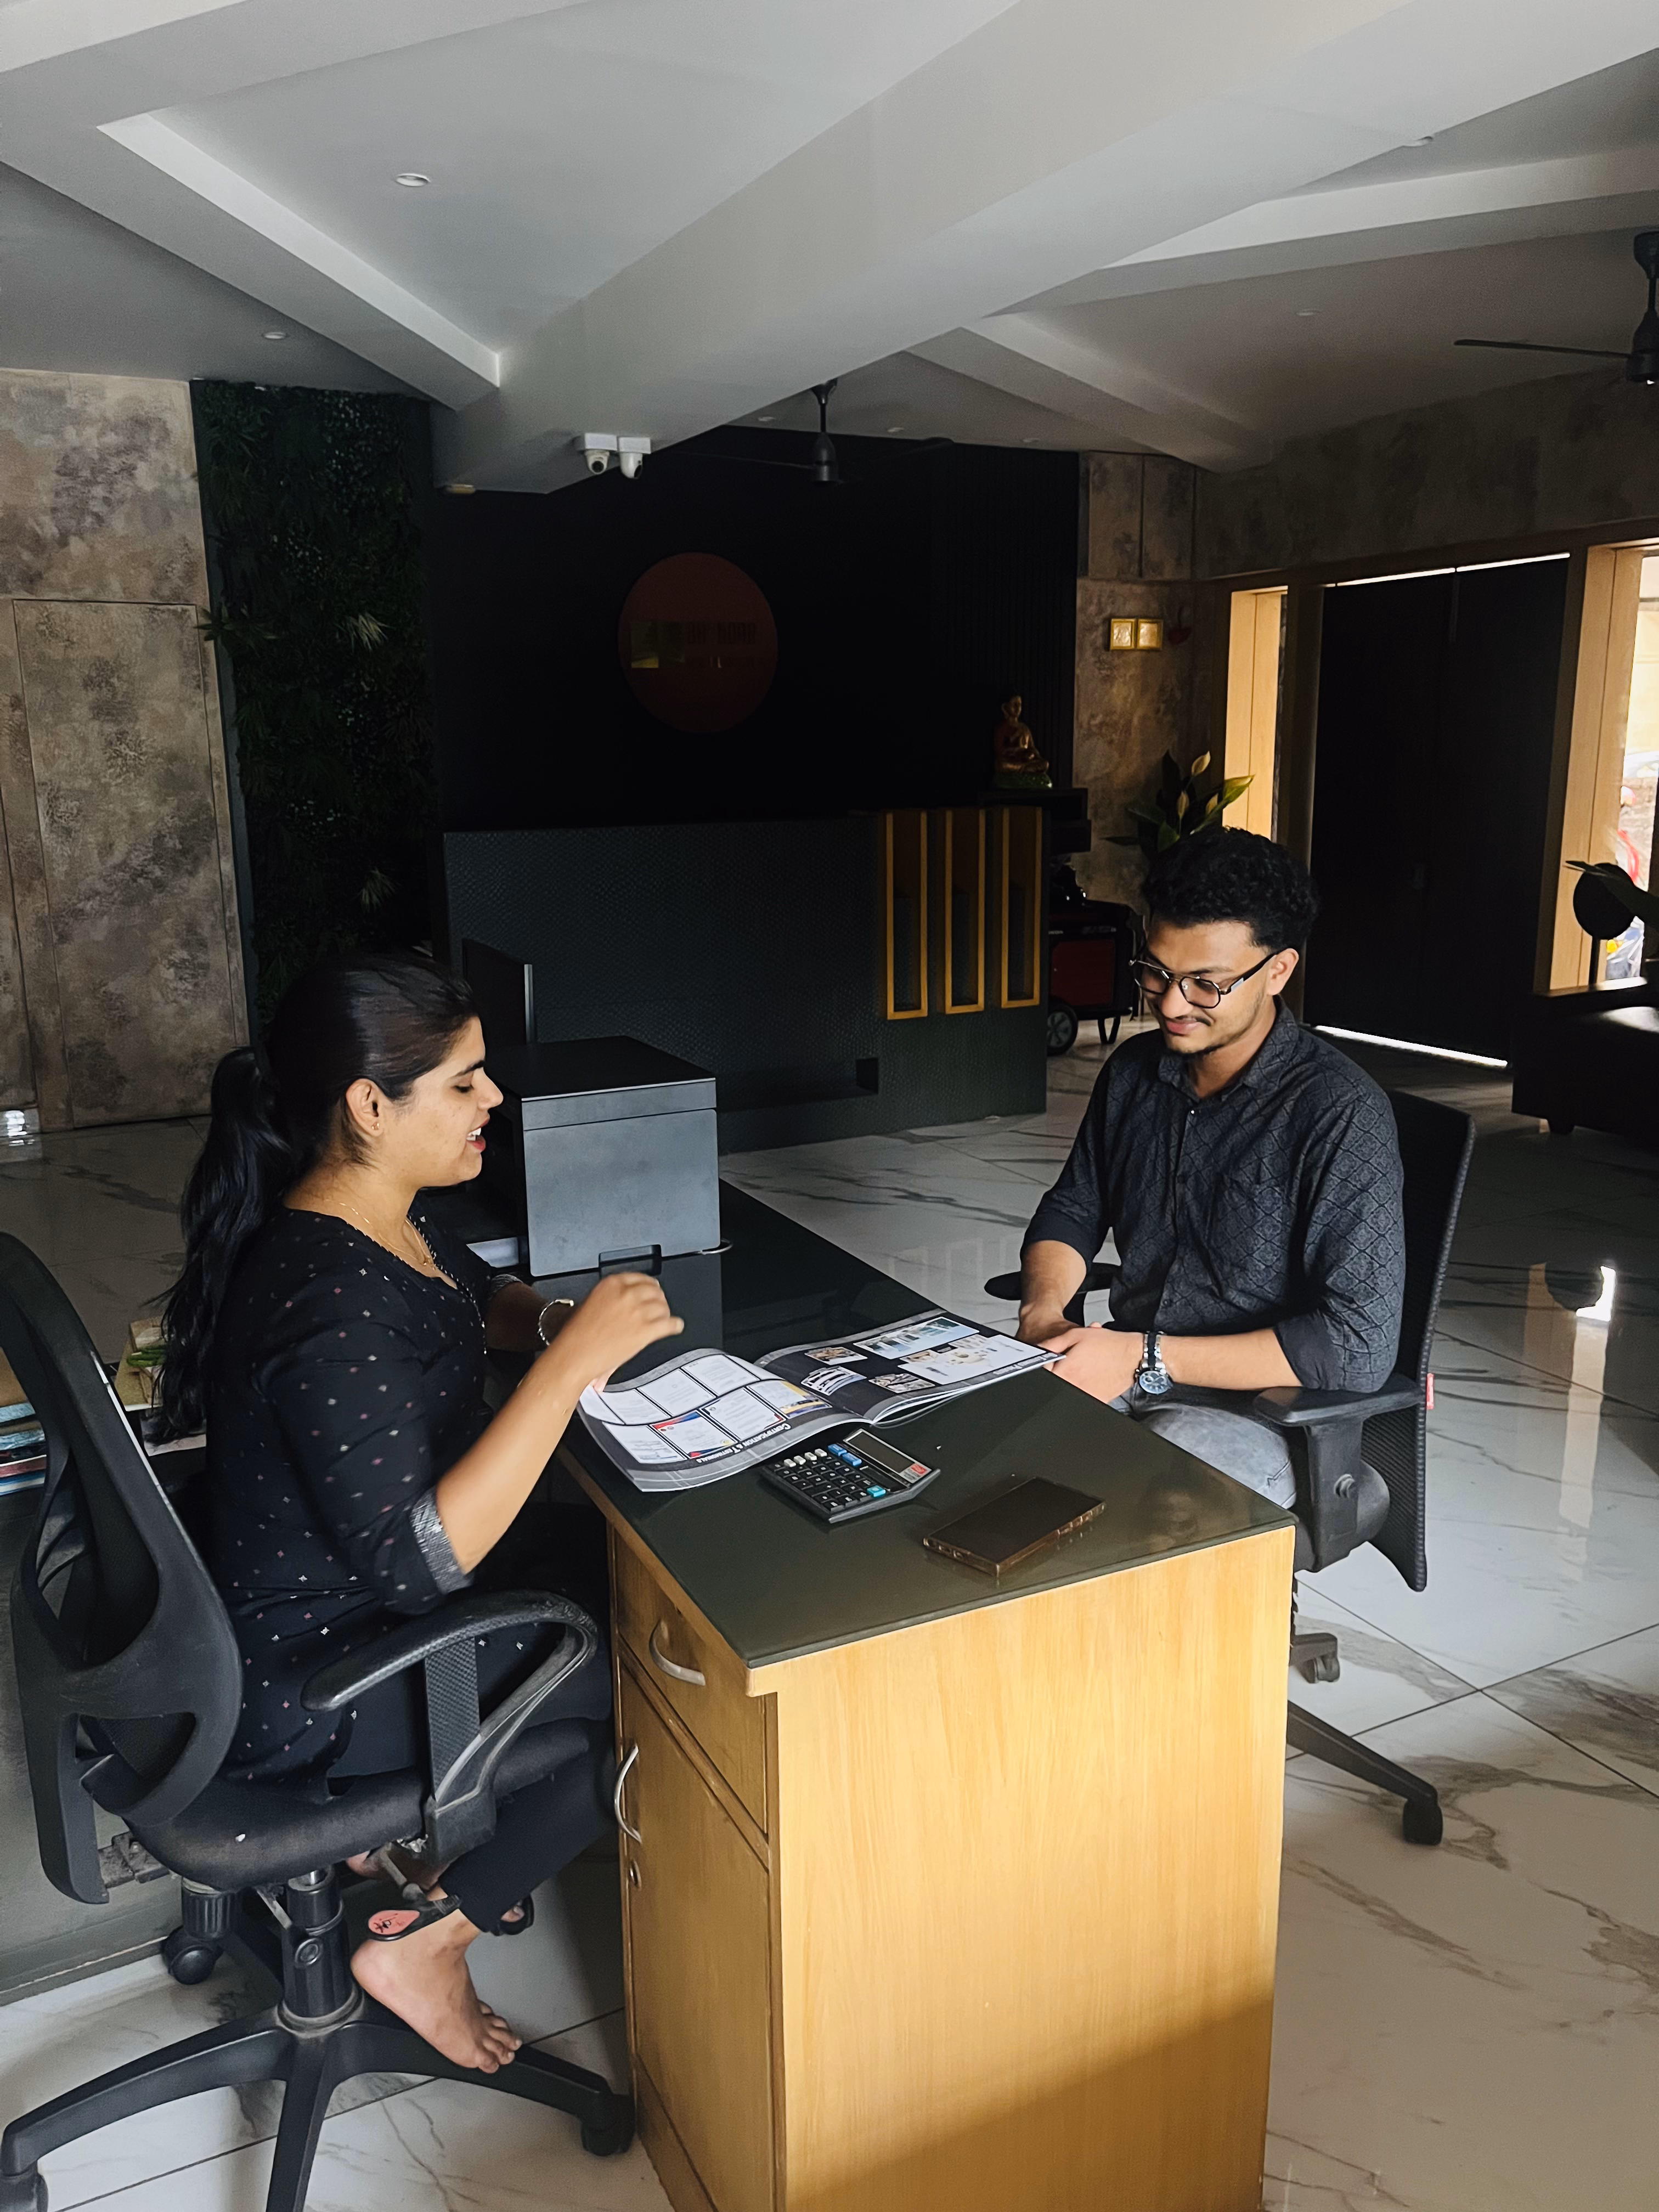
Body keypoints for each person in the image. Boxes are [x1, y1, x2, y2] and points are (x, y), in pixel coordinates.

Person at [161, 953, 682, 2074]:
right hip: (313, 1679)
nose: (494, 1099)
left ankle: (410, 1850)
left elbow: (460, 1296)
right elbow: (421, 1561)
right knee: (655, 1687)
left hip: (299, 1607)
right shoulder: (322, 1295)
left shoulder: (372, 1213)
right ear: (368, 1106)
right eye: (464, 1083)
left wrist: (550, 1325)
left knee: (618, 1561)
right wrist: (570, 1371)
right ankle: (425, 1941)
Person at [1017, 830, 1404, 1508]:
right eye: (1157, 973)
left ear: (1278, 971)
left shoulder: (1338, 1113)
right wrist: (1043, 1310)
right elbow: (1075, 1208)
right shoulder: (1135, 1073)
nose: (1169, 1005)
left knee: (1124, 1506)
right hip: (1123, 1369)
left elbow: (1357, 1345)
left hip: (1260, 1414)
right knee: (980, 1461)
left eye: (1206, 984)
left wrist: (1142, 1355)